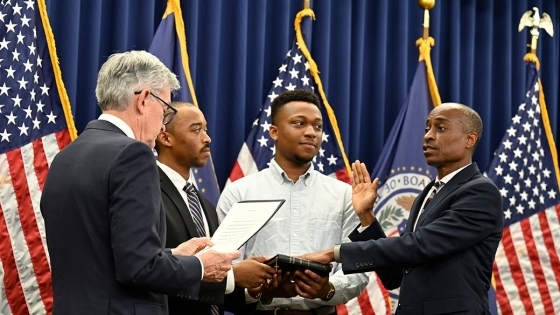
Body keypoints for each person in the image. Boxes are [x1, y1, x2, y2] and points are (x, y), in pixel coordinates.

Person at [40, 50, 239, 315]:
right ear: (145, 99)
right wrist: (202, 266)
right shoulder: (132, 154)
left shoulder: (64, 158)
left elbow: (102, 256)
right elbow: (139, 268)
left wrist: (170, 255)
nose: (162, 125)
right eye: (166, 110)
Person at [304, 103, 504, 315]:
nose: (428, 136)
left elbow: (421, 245)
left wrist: (335, 253)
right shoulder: (426, 195)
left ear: (469, 139)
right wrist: (366, 215)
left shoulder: (480, 192)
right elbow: (395, 276)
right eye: (427, 128)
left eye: (441, 128)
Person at [216, 90, 369, 315]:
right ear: (274, 132)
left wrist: (328, 289)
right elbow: (223, 264)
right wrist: (258, 290)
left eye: (317, 127)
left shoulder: (345, 195)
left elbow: (357, 266)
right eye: (299, 123)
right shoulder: (239, 193)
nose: (311, 132)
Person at [155, 101, 277, 314]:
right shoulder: (148, 193)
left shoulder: (206, 205)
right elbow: (151, 273)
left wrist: (254, 289)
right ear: (166, 137)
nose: (207, 138)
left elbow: (210, 293)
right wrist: (234, 276)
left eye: (206, 129)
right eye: (196, 130)